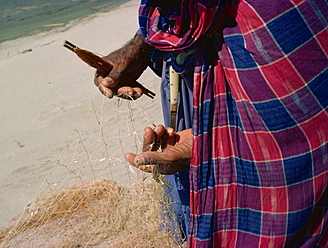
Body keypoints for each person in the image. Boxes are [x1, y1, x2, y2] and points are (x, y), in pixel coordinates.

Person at [94, 0, 327, 247]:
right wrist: (140, 47)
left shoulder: (277, 12)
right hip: (197, 103)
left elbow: (304, 132)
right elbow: (185, 13)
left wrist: (212, 146)